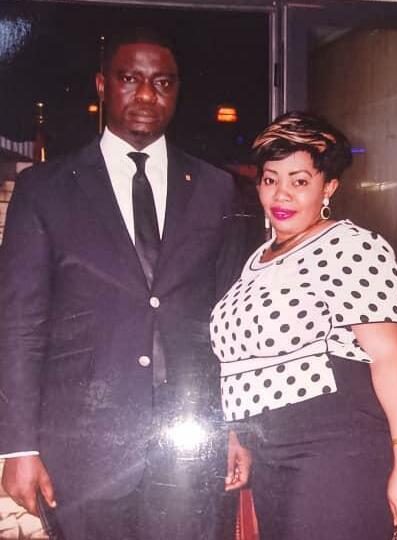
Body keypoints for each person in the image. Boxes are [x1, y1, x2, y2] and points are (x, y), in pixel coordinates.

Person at [0, 26, 250, 540]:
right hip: (84, 449)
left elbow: (229, 322)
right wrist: (19, 446)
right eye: (130, 79)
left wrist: (235, 428)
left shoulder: (215, 188)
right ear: (102, 85)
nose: (146, 95)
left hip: (186, 446)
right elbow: (19, 324)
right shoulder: (44, 189)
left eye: (162, 83)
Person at [210, 111, 397, 540]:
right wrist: (239, 435)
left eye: (299, 181)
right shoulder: (258, 259)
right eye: (270, 179)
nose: (281, 194)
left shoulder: (353, 246)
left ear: (328, 187)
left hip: (333, 451)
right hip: (271, 456)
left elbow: (388, 359)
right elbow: (246, 361)